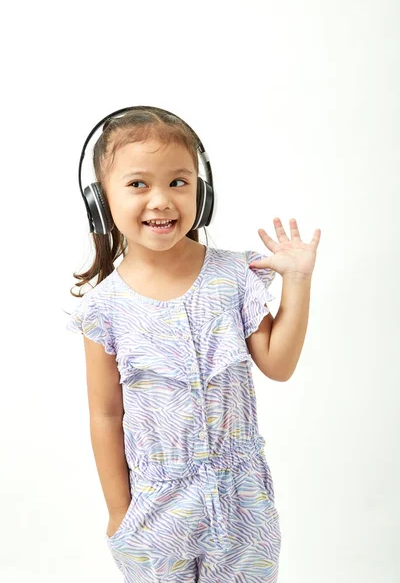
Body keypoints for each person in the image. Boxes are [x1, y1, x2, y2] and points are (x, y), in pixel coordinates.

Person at [66, 106, 321, 582]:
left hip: (243, 500)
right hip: (156, 508)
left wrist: (298, 284)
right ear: (101, 202)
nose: (161, 200)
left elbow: (279, 364)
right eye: (138, 184)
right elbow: (105, 413)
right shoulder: (104, 309)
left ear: (202, 196)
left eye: (179, 182)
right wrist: (120, 511)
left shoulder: (234, 276)